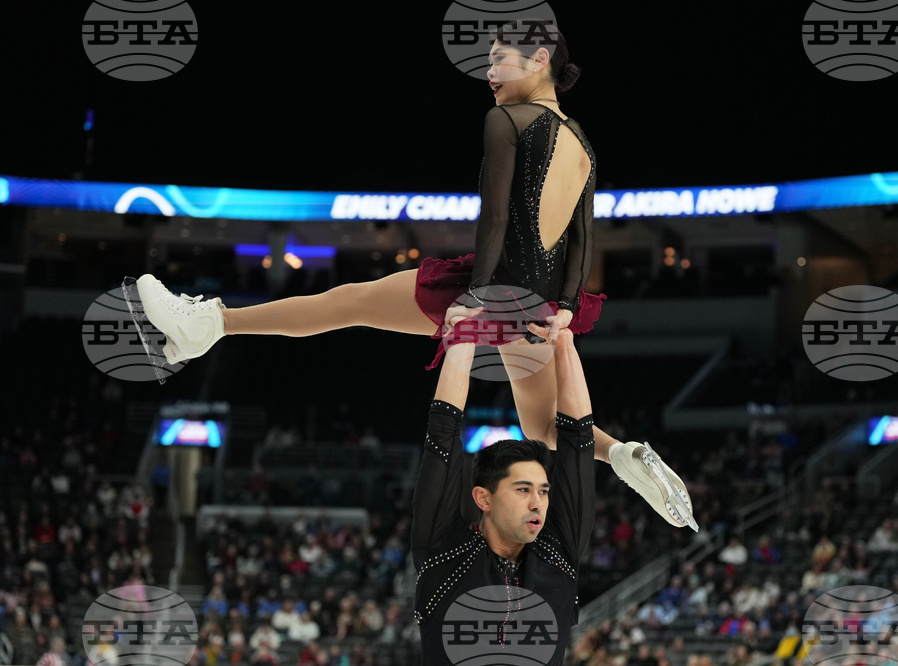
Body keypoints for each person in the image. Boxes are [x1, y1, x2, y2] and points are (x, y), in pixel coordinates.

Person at [128, 18, 696, 530]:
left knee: (346, 303)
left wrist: (476, 295)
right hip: (541, 308)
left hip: (494, 287)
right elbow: (582, 240)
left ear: (539, 58)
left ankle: (211, 323)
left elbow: (495, 216)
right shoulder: (583, 144)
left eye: (499, 60)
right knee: (546, 427)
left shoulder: (508, 121)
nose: (489, 74)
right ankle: (623, 454)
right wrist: (567, 307)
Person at [410, 328, 595, 664]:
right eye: (523, 489)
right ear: (483, 498)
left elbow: (578, 441)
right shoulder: (443, 554)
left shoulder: (558, 557)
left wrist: (565, 340)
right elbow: (442, 436)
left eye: (542, 491)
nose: (537, 502)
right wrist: (465, 332)